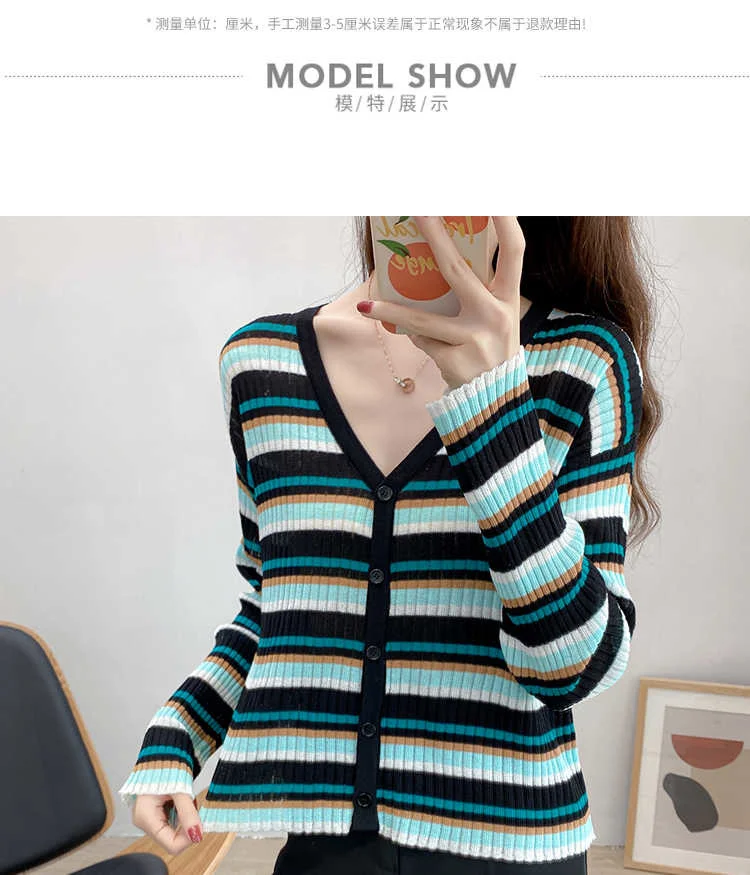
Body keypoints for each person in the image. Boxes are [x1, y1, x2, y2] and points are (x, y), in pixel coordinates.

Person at [118, 216, 662, 874]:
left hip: (510, 850)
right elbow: (273, 609)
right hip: (328, 850)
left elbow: (574, 667)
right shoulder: (262, 364)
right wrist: (178, 734)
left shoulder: (581, 362)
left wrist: (493, 406)